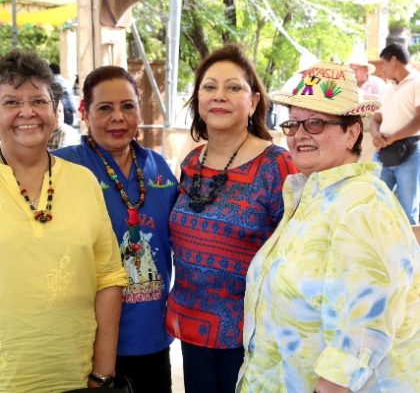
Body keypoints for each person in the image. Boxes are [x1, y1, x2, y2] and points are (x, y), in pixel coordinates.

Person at [237, 61, 420, 392]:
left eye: (316, 123)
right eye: (293, 123)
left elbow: (359, 342)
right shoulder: (314, 195)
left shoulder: (365, 207)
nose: (300, 134)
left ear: (352, 132)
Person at [165, 43, 298, 393]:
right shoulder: (191, 162)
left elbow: (296, 255)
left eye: (233, 87)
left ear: (253, 101)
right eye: (209, 87)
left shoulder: (276, 165)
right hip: (191, 327)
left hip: (251, 336)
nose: (219, 95)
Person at [0, 50, 128, 391]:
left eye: (38, 101)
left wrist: (103, 373)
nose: (27, 112)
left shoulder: (83, 181)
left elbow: (109, 277)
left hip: (77, 378)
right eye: (11, 102)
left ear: (56, 112)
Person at [54, 65, 178, 393]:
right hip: (89, 345)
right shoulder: (63, 167)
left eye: (127, 106)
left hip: (153, 339)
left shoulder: (158, 166)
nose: (118, 118)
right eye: (105, 108)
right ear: (85, 112)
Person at [370, 43, 420, 224]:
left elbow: (419, 120)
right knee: (373, 205)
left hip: (410, 152)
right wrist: (375, 135)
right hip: (382, 153)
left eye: (383, 64)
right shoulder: (387, 88)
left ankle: (411, 244)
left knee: (408, 213)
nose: (382, 69)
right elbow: (375, 119)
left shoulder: (417, 82)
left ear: (393, 60)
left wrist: (391, 138)